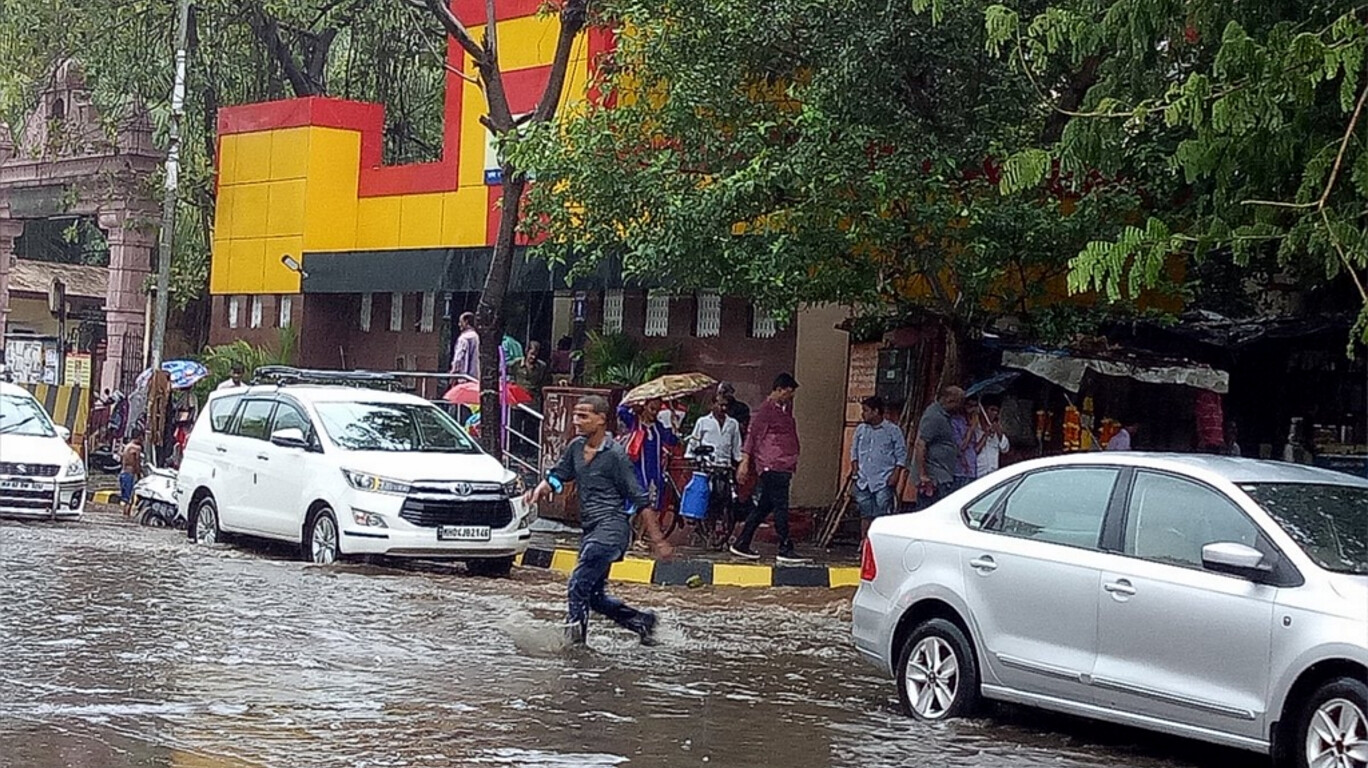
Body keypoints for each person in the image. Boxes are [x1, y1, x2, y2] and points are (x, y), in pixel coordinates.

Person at [524, 395, 672, 645]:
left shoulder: (616, 455)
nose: (576, 420)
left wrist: (658, 540)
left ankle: (574, 645)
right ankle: (641, 621)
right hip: (591, 530)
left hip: (611, 530)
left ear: (601, 419)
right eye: (575, 415)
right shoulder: (576, 447)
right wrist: (540, 490)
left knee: (577, 584)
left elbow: (641, 499)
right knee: (594, 596)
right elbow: (558, 476)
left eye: (583, 416)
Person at [730, 373, 805, 564]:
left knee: (764, 507)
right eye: (788, 392)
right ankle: (785, 546)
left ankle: (742, 542)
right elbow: (752, 437)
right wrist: (745, 462)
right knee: (781, 506)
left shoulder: (783, 410)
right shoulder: (765, 411)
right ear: (779, 390)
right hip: (773, 465)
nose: (790, 397)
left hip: (783, 465)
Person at [851, 396, 907, 539]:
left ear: (876, 411)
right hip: (863, 480)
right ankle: (864, 542)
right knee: (865, 514)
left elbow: (901, 455)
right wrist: (855, 472)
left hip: (883, 479)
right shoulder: (861, 430)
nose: (863, 414)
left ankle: (879, 542)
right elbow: (854, 452)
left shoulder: (893, 430)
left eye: (866, 410)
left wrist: (895, 474)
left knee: (882, 515)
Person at [616, 399, 677, 512]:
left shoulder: (658, 426)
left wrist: (672, 424)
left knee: (654, 500)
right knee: (638, 497)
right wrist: (633, 405)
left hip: (655, 470)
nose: (654, 413)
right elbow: (620, 410)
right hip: (637, 469)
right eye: (652, 409)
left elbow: (671, 440)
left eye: (657, 410)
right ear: (645, 406)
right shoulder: (634, 422)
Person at [913, 385, 965, 508]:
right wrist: (923, 474)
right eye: (959, 403)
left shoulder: (944, 416)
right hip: (934, 478)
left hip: (943, 474)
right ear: (950, 400)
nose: (960, 407)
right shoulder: (934, 416)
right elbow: (920, 444)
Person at [687, 394, 743, 468]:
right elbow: (694, 442)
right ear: (713, 405)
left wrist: (740, 461)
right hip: (707, 465)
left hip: (725, 465)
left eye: (726, 405)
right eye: (721, 405)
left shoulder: (733, 423)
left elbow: (736, 446)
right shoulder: (702, 421)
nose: (724, 408)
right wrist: (690, 457)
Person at [974, 397, 1011, 477]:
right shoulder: (975, 429)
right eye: (992, 410)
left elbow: (1005, 449)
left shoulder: (996, 430)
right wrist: (986, 435)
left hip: (993, 473)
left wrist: (999, 433)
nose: (994, 413)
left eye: (997, 411)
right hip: (978, 472)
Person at [511, 341, 551, 408]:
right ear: (527, 352)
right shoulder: (516, 364)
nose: (533, 357)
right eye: (532, 354)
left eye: (536, 355)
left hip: (534, 404)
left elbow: (545, 382)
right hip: (518, 404)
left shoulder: (542, 367)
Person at [952, 395, 980, 490]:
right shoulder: (956, 422)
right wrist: (971, 429)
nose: (972, 409)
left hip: (973, 470)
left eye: (975, 406)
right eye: (970, 406)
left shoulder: (974, 422)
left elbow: (975, 448)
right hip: (960, 471)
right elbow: (961, 447)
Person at [449, 312, 480, 382]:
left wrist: (453, 374)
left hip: (464, 379)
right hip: (475, 379)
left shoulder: (463, 339)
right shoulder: (477, 337)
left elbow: (458, 359)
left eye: (460, 322)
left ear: (466, 322)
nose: (459, 324)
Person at [119, 436, 143, 518]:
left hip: (123, 473)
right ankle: (127, 517)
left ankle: (124, 516)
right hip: (130, 474)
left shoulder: (127, 446)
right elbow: (137, 462)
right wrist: (139, 474)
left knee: (125, 499)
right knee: (129, 499)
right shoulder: (137, 448)